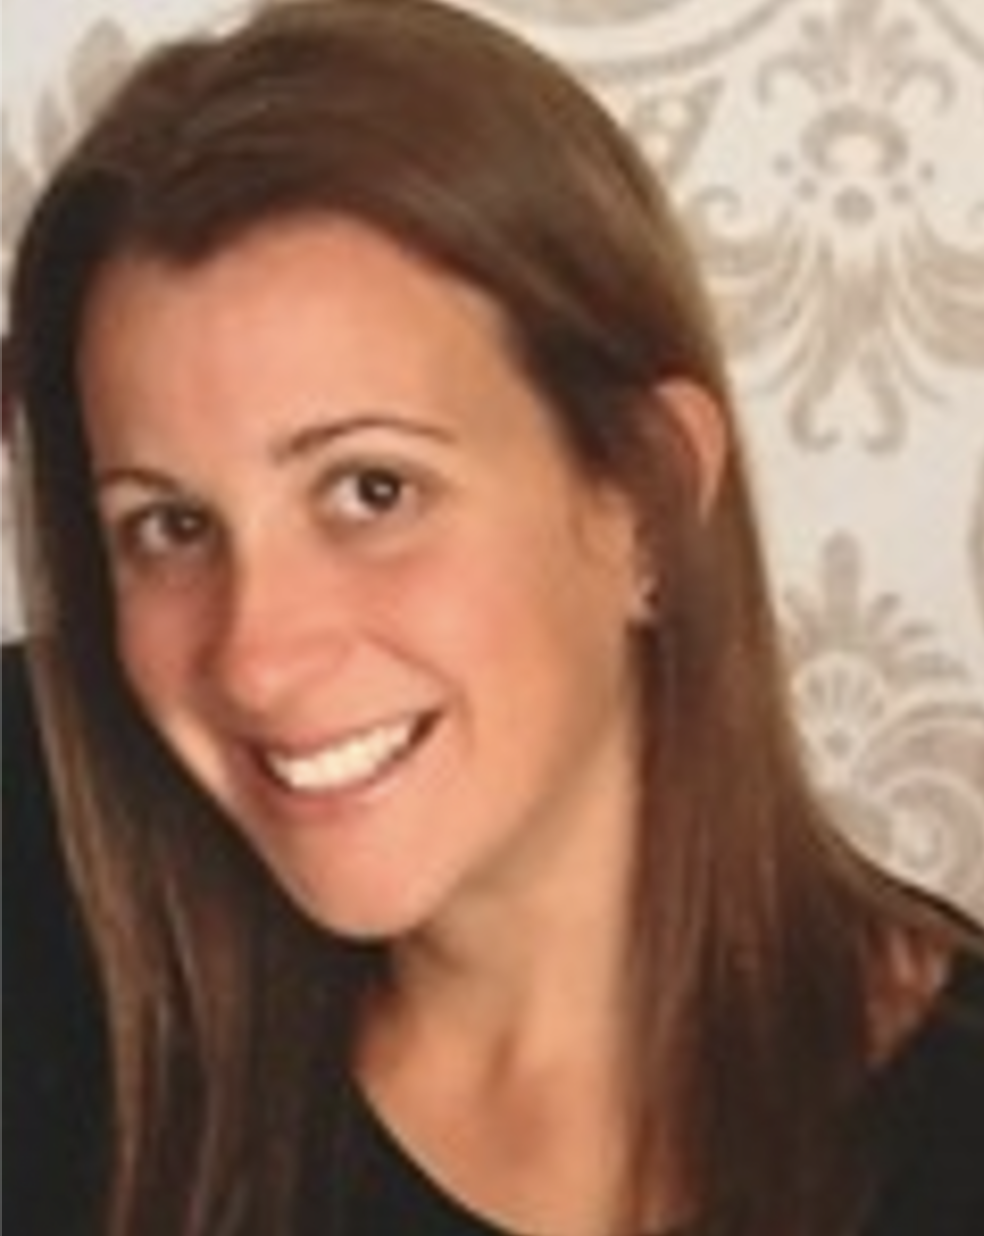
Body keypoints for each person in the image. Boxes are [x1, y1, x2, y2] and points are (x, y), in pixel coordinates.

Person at [7, 1, 983, 1233]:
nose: (254, 656)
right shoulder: (44, 865)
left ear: (644, 493)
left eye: (372, 490)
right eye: (170, 525)